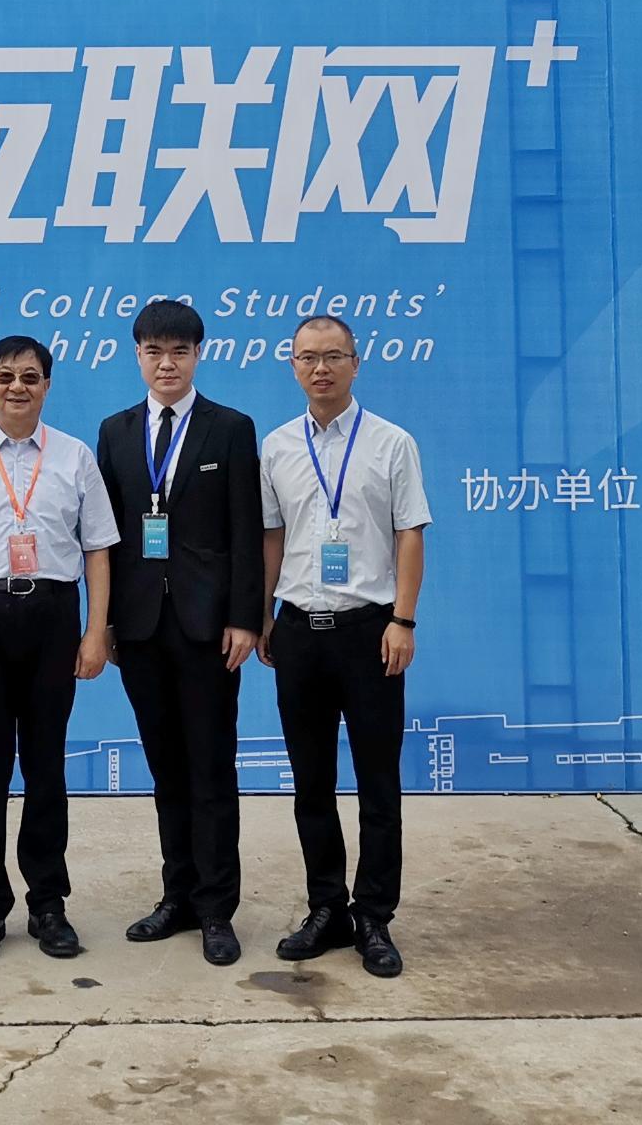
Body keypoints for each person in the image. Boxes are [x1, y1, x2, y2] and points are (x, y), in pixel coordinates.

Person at [0, 334, 118, 963]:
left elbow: (97, 550)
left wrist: (95, 632)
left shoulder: (74, 456)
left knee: (45, 766)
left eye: (30, 377)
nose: (17, 387)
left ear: (47, 385)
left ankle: (48, 903)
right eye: (5, 376)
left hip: (53, 615)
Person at [258, 314, 429, 979]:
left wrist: (403, 620)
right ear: (292, 366)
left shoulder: (391, 442)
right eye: (308, 357)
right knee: (311, 784)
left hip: (370, 632)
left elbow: (409, 533)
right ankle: (326, 908)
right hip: (299, 630)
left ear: (356, 363)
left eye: (333, 356)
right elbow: (273, 536)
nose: (320, 368)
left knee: (378, 784)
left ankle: (374, 917)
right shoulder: (277, 446)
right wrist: (264, 615)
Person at [95, 298, 262, 966]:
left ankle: (217, 909)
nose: (167, 363)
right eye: (154, 351)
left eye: (179, 351)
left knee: (211, 768)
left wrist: (245, 617)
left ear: (198, 355)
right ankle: (178, 898)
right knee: (166, 768)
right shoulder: (115, 431)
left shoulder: (231, 428)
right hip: (139, 626)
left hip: (208, 627)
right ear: (137, 355)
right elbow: (104, 537)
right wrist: (106, 621)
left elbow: (246, 530)